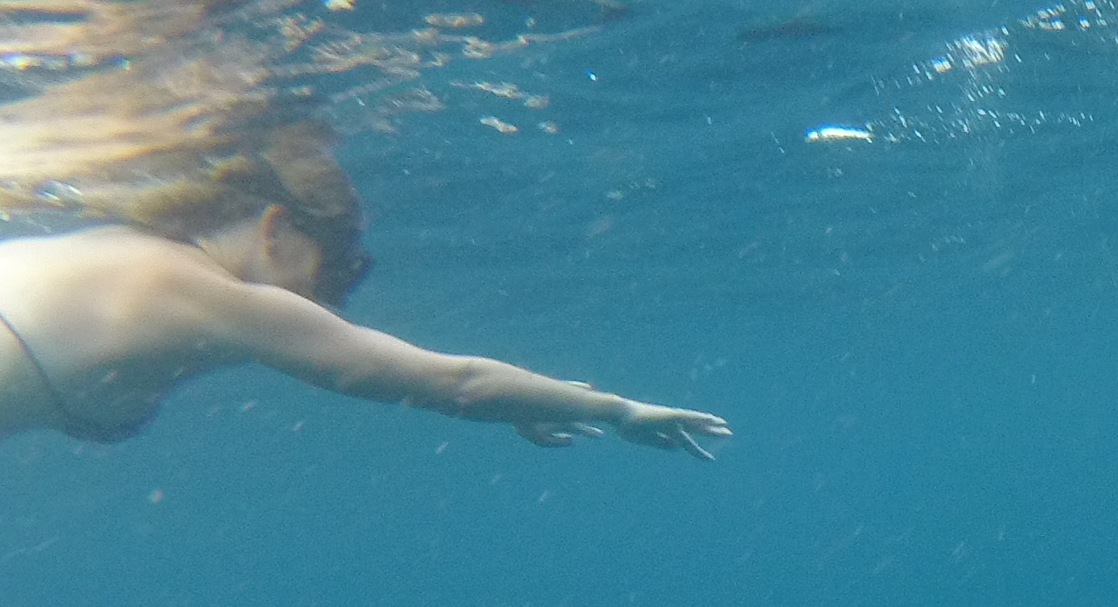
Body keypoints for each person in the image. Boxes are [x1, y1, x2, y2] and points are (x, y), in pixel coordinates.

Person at [0, 124, 727, 455]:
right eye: (336, 270)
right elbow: (456, 383)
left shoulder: (113, 253)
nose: (328, 303)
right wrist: (616, 409)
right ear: (278, 226)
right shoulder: (204, 293)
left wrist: (530, 400)